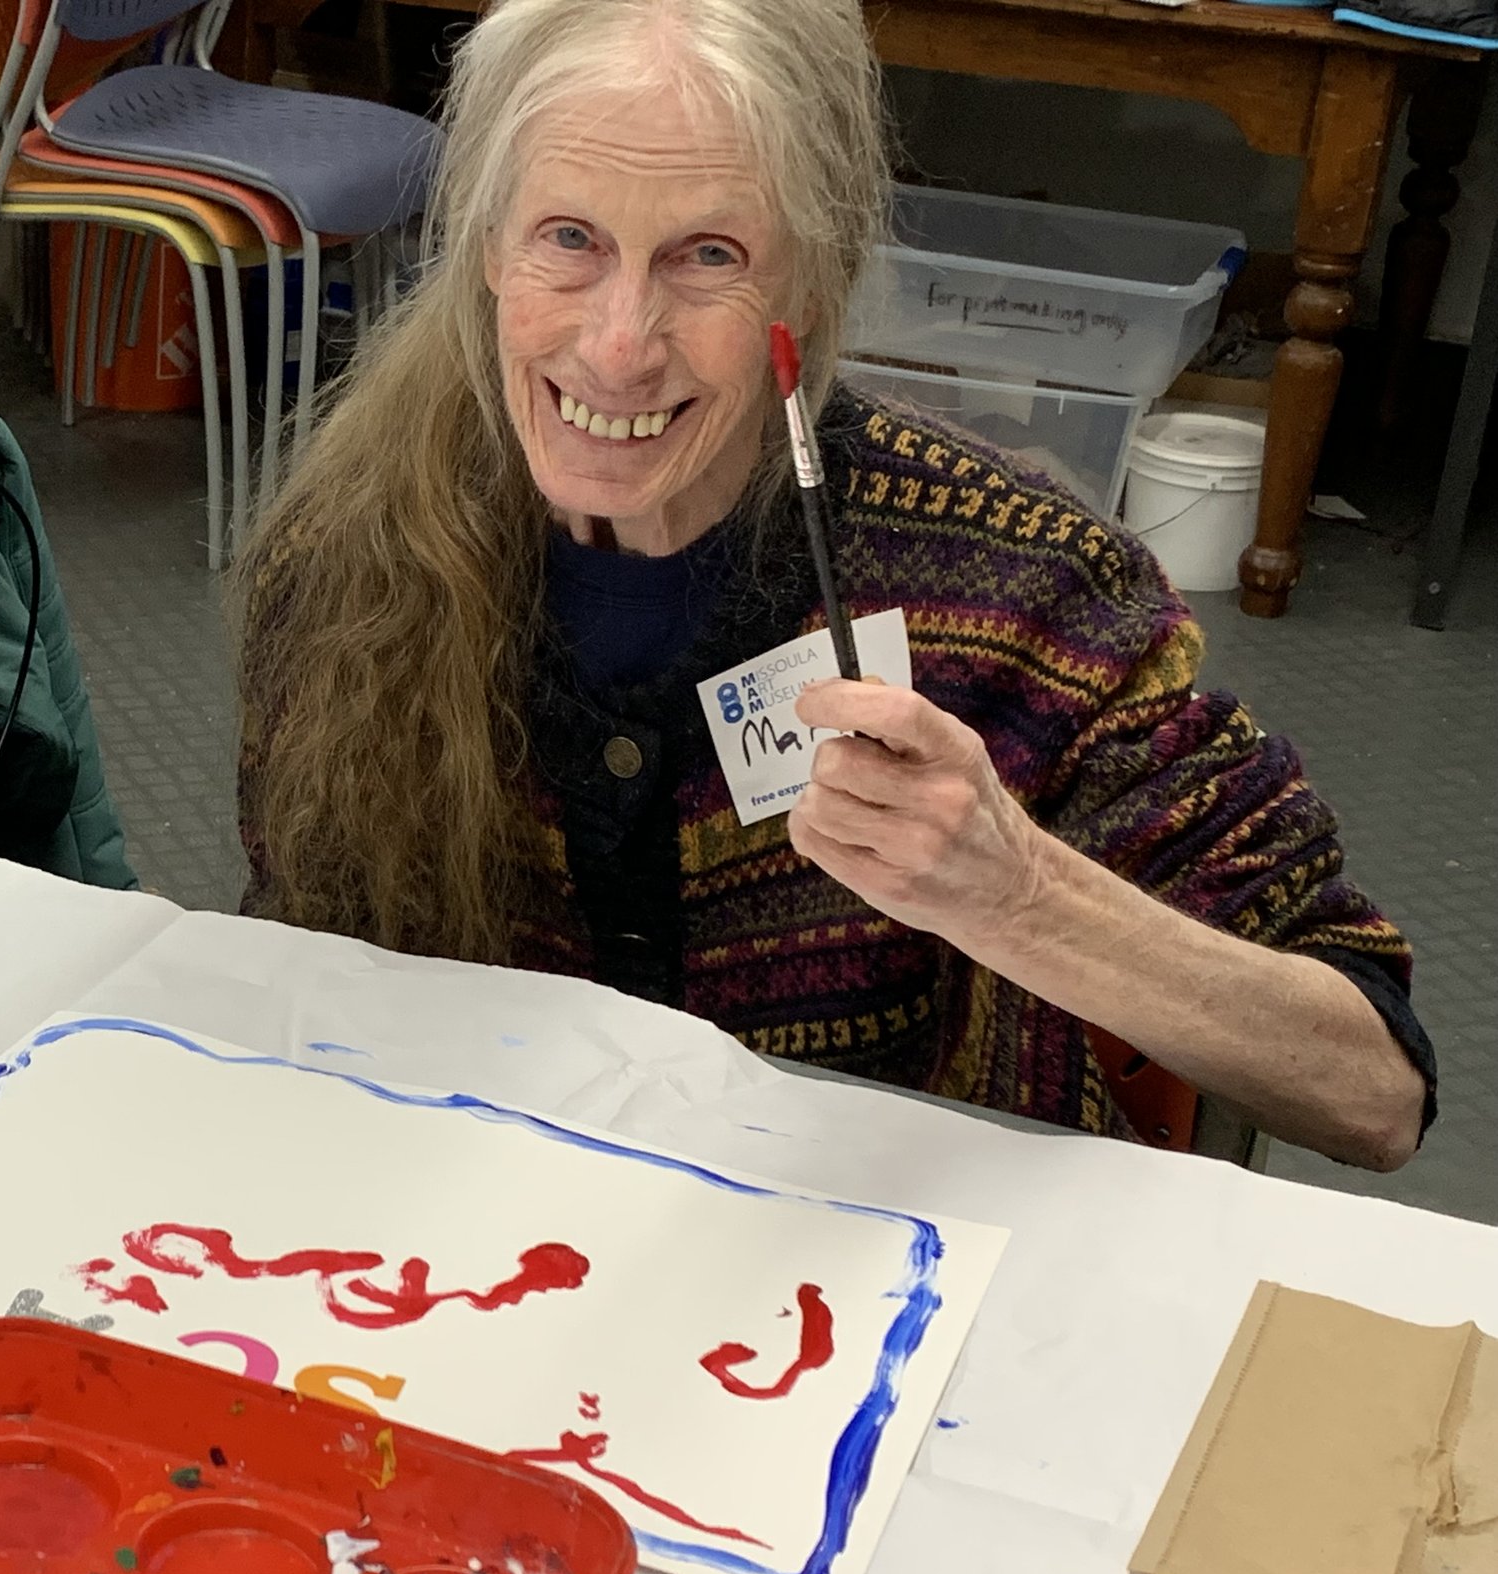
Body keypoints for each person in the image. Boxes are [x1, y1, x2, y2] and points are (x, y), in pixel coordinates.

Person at [234, 0, 1434, 1169]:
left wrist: (1017, 893)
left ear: (808, 287)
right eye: (568, 238)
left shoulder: (1022, 589)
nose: (616, 342)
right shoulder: (352, 565)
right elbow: (304, 983)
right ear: (489, 247)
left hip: (880, 1290)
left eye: (708, 256)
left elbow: (1374, 1089)